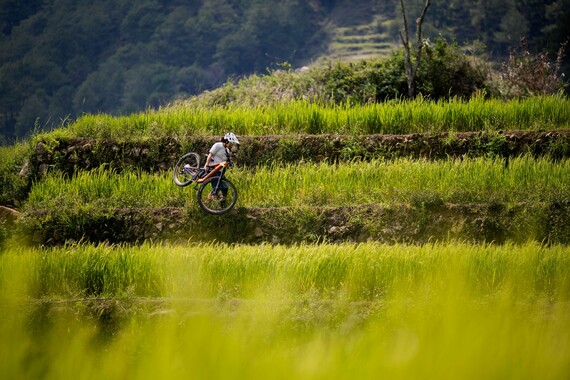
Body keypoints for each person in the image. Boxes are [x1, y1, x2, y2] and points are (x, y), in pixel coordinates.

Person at [201, 132, 240, 202]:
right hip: (214, 169)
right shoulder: (218, 145)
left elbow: (226, 162)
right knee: (216, 188)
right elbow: (210, 155)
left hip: (220, 172)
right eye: (231, 143)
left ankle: (222, 204)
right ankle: (208, 202)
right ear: (227, 141)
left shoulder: (227, 151)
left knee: (225, 188)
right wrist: (206, 165)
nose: (231, 145)